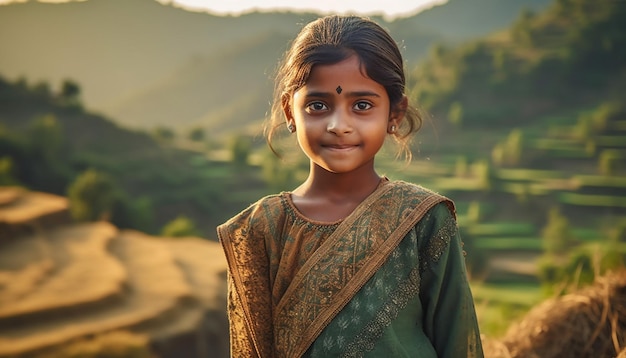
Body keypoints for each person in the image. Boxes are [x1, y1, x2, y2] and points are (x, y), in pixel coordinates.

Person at [217, 15, 484, 358]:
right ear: (289, 111)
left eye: (362, 106)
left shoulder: (422, 220)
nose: (338, 125)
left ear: (395, 114)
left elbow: (459, 344)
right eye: (317, 105)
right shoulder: (258, 229)